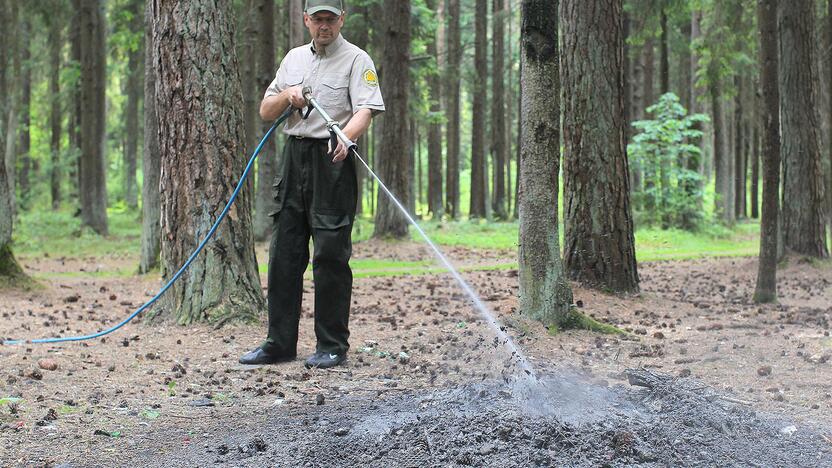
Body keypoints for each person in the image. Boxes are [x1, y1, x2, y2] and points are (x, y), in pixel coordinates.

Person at [239, 0, 384, 369]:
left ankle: (332, 345)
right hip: (294, 159)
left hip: (332, 161)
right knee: (284, 253)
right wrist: (289, 95)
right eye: (317, 19)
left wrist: (346, 137)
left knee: (331, 255)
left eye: (330, 19)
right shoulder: (292, 60)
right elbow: (266, 109)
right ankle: (279, 343)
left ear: (341, 20)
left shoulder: (357, 60)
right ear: (306, 20)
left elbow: (365, 110)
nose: (324, 26)